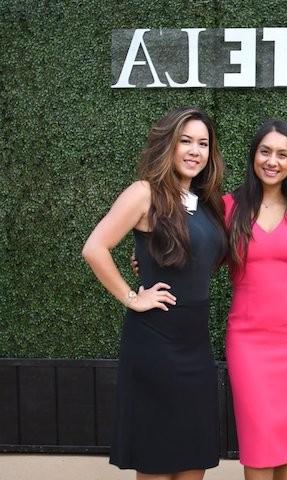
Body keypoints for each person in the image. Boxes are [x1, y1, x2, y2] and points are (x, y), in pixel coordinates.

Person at [82, 107, 227, 480]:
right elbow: (95, 248)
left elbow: (203, 257)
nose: (195, 151)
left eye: (203, 144)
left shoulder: (206, 201)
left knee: (193, 460)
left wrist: (149, 257)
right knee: (159, 461)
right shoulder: (143, 193)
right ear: (169, 144)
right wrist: (133, 296)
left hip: (195, 345)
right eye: (186, 141)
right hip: (154, 343)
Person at [224, 119, 287, 480]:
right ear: (254, 155)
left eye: (282, 154)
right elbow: (199, 254)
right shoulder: (228, 208)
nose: (272, 161)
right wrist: (152, 262)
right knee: (259, 436)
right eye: (266, 151)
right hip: (248, 338)